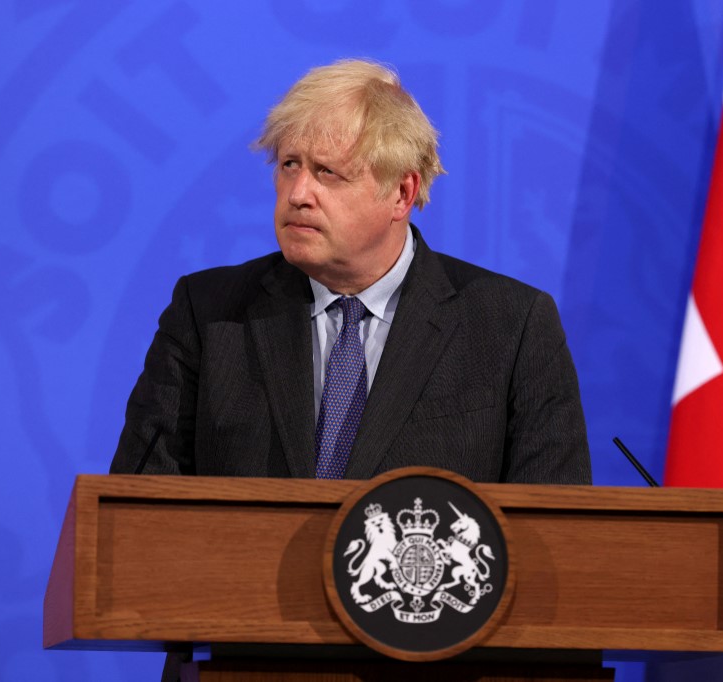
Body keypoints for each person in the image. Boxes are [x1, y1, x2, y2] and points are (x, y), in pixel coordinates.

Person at [110, 59, 591, 485]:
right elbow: (139, 502)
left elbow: (554, 530)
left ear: (402, 194)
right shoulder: (209, 314)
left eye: (327, 173)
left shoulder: (511, 326)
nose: (297, 193)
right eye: (288, 165)